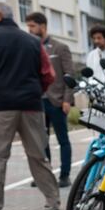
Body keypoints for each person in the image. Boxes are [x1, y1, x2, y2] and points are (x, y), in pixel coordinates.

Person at [0, 1, 60, 210]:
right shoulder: (33, 41)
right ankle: (53, 200)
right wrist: (34, 91)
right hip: (31, 104)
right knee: (38, 154)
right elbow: (48, 74)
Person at [26, 12, 73, 188]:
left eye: (32, 26)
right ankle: (45, 176)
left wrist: (67, 99)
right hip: (37, 101)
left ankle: (65, 175)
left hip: (57, 101)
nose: (29, 29)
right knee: (41, 140)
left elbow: (69, 75)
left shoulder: (60, 47)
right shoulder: (31, 46)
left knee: (63, 140)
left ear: (42, 26)